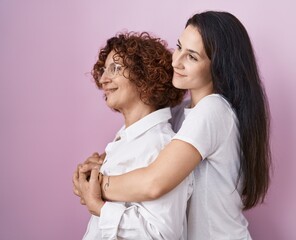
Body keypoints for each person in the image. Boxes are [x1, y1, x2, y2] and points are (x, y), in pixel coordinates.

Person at [75, 11, 271, 240]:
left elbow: (154, 182)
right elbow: (144, 141)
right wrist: (102, 165)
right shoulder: (181, 113)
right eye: (179, 48)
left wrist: (96, 187)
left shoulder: (213, 110)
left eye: (192, 57)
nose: (176, 61)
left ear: (217, 67)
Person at [73, 31, 194, 239]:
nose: (103, 79)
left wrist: (101, 208)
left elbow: (161, 235)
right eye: (103, 70)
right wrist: (91, 178)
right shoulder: (124, 139)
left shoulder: (161, 146)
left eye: (115, 68)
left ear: (145, 77)